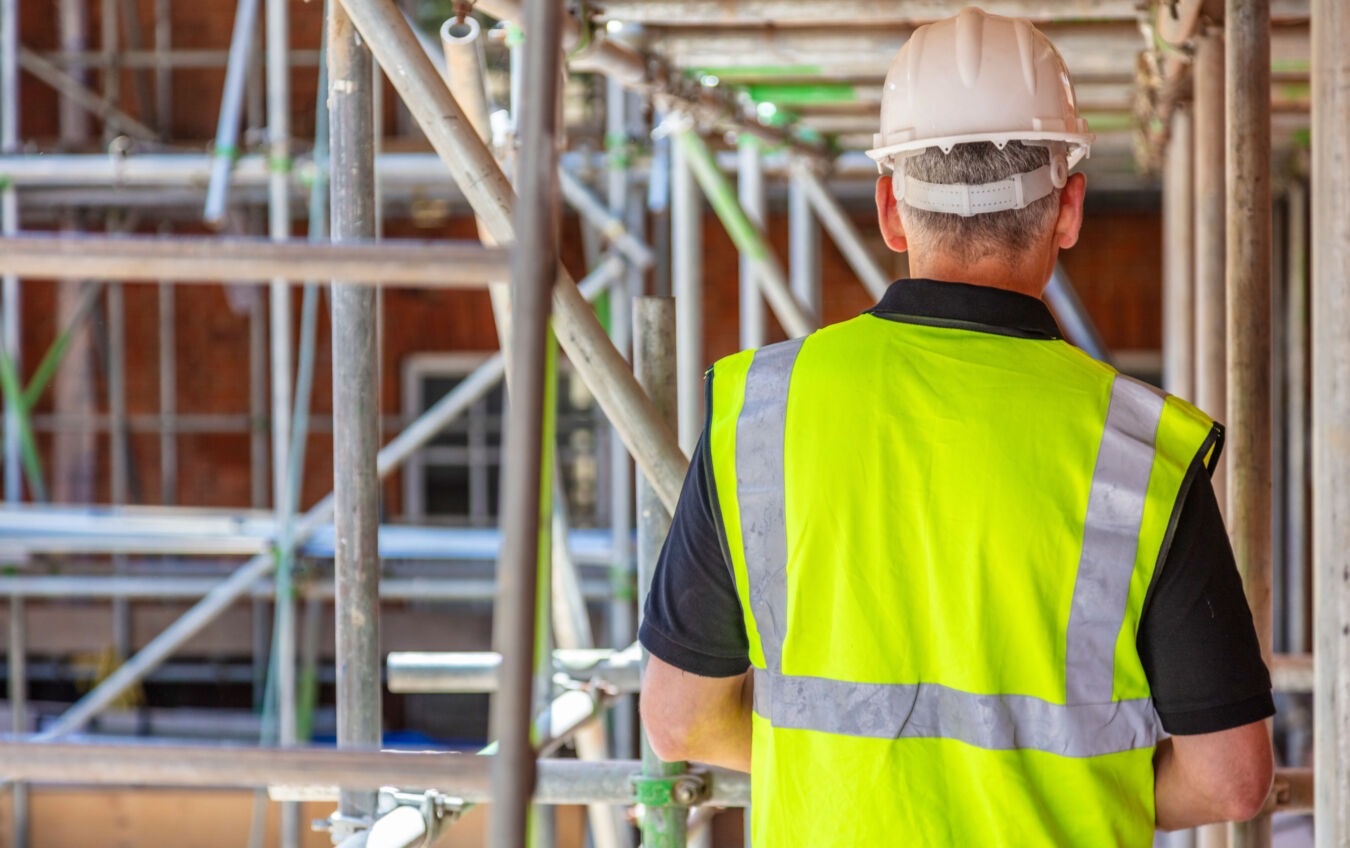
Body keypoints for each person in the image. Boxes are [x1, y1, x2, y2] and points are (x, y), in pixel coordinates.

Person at [637, 7, 1274, 846]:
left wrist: (854, 774)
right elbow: (1232, 778)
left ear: (891, 209)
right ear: (1069, 209)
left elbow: (680, 722)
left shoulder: (762, 410)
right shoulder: (1140, 450)